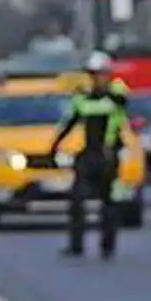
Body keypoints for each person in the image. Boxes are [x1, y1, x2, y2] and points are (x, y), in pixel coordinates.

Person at [49, 51, 129, 260]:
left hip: (109, 155)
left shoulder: (115, 97)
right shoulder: (82, 100)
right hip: (88, 154)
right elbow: (69, 123)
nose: (97, 79)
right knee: (77, 201)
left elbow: (123, 98)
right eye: (93, 74)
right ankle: (76, 245)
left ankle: (107, 246)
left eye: (101, 74)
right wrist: (55, 146)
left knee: (109, 203)